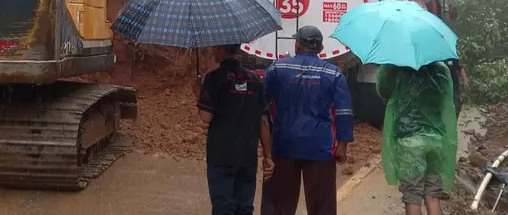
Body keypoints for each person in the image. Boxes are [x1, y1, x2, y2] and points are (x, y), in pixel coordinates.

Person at [261, 26, 354, 215]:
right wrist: (342, 145)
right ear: (320, 48)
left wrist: (266, 150)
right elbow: (344, 111)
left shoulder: (278, 68)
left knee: (279, 204)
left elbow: (261, 106)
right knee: (322, 206)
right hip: (320, 147)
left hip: (284, 145)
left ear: (297, 45)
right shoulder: (334, 74)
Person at [192, 44, 274, 215]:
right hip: (247, 155)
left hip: (221, 155)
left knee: (224, 207)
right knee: (244, 207)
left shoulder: (214, 78)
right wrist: (268, 156)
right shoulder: (254, 80)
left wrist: (198, 93)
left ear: (221, 48)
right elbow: (264, 121)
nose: (213, 49)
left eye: (216, 47)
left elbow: (205, 117)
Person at [376, 62, 457, 215]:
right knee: (433, 196)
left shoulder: (394, 67)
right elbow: (447, 96)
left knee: (413, 198)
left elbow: (383, 92)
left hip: (409, 141)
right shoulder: (440, 69)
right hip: (436, 139)